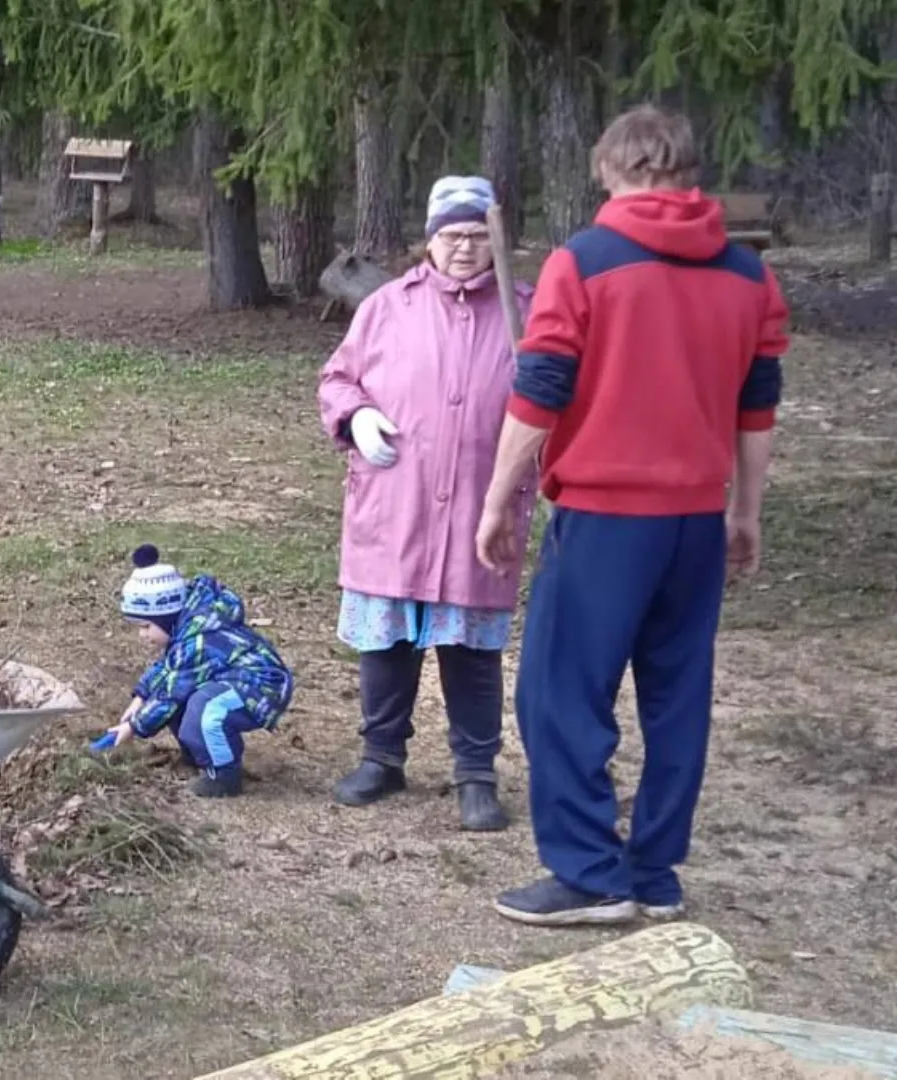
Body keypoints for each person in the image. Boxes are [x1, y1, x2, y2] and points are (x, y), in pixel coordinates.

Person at [474, 104, 789, 926]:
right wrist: (745, 512)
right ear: (686, 171)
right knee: (677, 694)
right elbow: (757, 407)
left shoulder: (585, 261)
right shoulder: (750, 276)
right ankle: (653, 870)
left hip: (608, 516)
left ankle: (588, 872)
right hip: (693, 519)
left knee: (559, 690)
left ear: (617, 169)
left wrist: (498, 498)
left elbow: (539, 393)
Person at [316, 175, 538, 833]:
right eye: (451, 235)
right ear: (430, 239)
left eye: (476, 235)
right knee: (389, 640)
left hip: (480, 508)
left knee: (470, 651)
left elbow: (554, 401)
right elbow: (338, 378)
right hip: (396, 507)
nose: (464, 248)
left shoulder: (522, 311)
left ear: (494, 241)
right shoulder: (388, 306)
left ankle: (476, 774)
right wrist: (354, 418)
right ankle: (381, 757)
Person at [99, 545, 295, 797]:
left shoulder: (198, 640)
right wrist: (141, 696)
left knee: (206, 707)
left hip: (261, 686)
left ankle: (224, 775)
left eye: (146, 626)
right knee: (185, 700)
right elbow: (167, 669)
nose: (142, 635)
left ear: (165, 617)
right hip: (232, 679)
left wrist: (134, 727)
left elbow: (170, 693)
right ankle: (198, 755)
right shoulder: (185, 631)